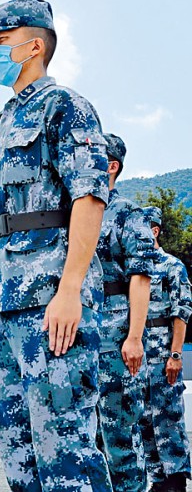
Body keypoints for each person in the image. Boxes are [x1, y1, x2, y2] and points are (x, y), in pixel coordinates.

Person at [0, 0, 111, 492]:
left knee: (64, 443)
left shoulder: (64, 106)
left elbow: (89, 197)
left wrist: (71, 288)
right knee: (18, 449)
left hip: (52, 296)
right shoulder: (7, 117)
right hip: (8, 301)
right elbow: (3, 224)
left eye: (0, 41)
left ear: (34, 45)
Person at [94, 133, 156, 492]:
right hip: (82, 335)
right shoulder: (75, 212)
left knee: (120, 435)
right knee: (88, 439)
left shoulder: (126, 213)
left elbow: (141, 277)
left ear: (112, 166)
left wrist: (134, 337)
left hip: (116, 332)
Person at [142, 206, 192, 492]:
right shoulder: (134, 269)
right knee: (145, 419)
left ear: (155, 230)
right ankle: (157, 479)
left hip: (163, 355)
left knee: (168, 418)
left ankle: (175, 481)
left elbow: (181, 313)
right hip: (138, 355)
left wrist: (175, 355)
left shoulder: (172, 266)